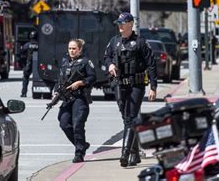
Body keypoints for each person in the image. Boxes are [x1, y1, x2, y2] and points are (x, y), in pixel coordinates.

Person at [104, 12, 158, 167]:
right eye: (119, 23)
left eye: (122, 23)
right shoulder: (114, 41)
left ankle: (125, 153)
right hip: (120, 84)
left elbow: (151, 65)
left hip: (136, 85)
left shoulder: (140, 42)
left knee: (130, 118)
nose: (120, 25)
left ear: (130, 24)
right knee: (126, 117)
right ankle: (135, 153)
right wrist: (110, 64)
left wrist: (153, 87)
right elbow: (106, 56)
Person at [54, 39, 96, 163]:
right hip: (67, 99)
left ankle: (79, 153)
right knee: (64, 123)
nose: (71, 51)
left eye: (74, 49)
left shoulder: (85, 62)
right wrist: (56, 92)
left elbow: (93, 77)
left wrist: (80, 82)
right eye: (70, 48)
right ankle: (82, 144)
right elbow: (59, 80)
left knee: (77, 124)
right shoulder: (65, 63)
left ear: (80, 49)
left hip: (80, 98)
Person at [20, 30, 38, 97]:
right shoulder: (40, 45)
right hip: (38, 65)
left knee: (25, 78)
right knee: (37, 79)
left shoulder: (27, 45)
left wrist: (23, 64)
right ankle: (35, 92)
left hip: (28, 64)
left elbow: (21, 54)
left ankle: (24, 93)